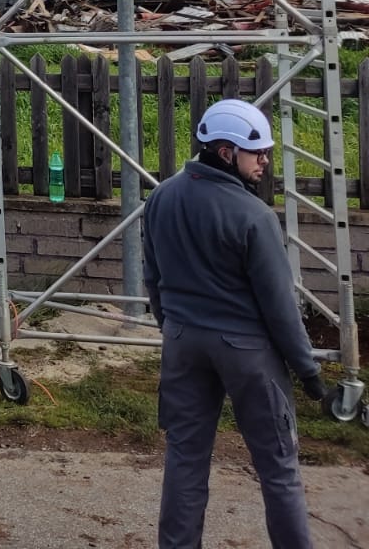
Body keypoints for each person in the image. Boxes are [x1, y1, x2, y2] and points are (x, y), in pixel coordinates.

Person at [142, 98, 327, 549]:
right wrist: (309, 373)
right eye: (257, 152)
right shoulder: (254, 216)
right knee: (278, 467)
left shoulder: (161, 196)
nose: (265, 161)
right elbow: (280, 307)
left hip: (184, 343)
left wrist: (174, 327)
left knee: (185, 460)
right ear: (226, 152)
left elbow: (154, 279)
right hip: (248, 352)